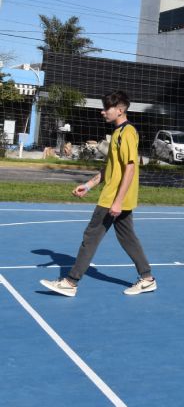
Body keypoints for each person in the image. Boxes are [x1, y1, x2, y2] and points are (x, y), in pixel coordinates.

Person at [40, 91, 156, 297]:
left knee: (91, 236)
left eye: (106, 109)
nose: (102, 112)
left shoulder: (127, 132)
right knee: (128, 238)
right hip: (116, 196)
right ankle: (147, 279)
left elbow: (130, 168)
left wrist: (118, 201)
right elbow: (111, 168)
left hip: (114, 197)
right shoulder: (118, 134)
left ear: (120, 110)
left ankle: (71, 282)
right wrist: (89, 185)